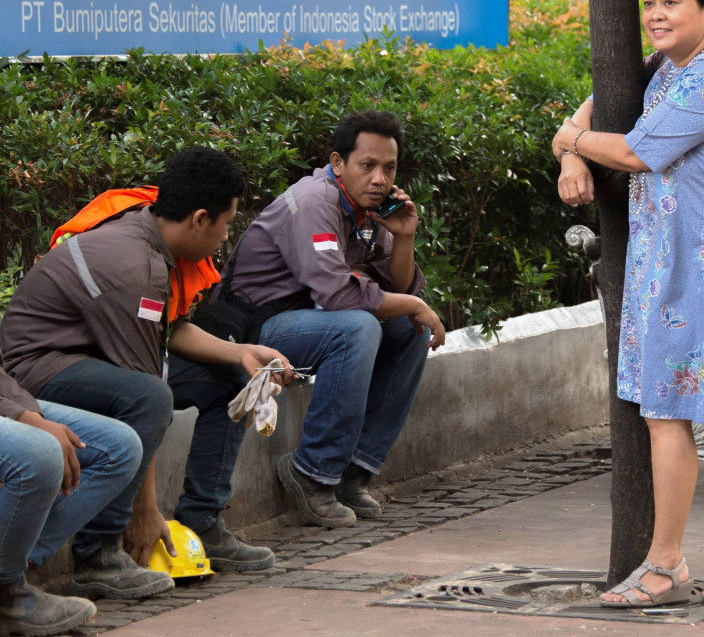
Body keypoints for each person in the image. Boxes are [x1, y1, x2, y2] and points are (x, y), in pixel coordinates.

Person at [553, 0, 704, 607]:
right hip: (672, 267)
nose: (655, 13)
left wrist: (572, 144)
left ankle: (665, 562)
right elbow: (581, 122)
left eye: (671, 1)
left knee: (671, 411)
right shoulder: (662, 71)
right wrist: (570, 148)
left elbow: (631, 151)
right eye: (649, 1)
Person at [0, 147, 290, 599]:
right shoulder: (134, 269)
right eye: (226, 223)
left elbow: (168, 331)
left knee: (229, 381)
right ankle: (97, 554)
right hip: (34, 371)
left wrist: (242, 354)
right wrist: (146, 511)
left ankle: (204, 520)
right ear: (198, 218)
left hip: (87, 358)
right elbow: (145, 391)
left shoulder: (149, 231)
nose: (225, 237)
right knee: (149, 398)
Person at [178, 109, 445, 530]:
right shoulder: (314, 203)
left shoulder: (366, 209)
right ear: (338, 163)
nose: (379, 178)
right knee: (358, 327)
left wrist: (405, 237)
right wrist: (411, 304)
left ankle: (354, 473)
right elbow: (340, 297)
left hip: (305, 320)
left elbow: (402, 288)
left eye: (389, 168)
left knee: (409, 331)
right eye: (368, 166)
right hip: (255, 327)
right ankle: (312, 471)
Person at [1, 365, 141, 634]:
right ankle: (7, 591)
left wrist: (29, 414)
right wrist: (25, 419)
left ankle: (13, 565)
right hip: (46, 366)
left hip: (9, 395)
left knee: (121, 446)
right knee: (39, 453)